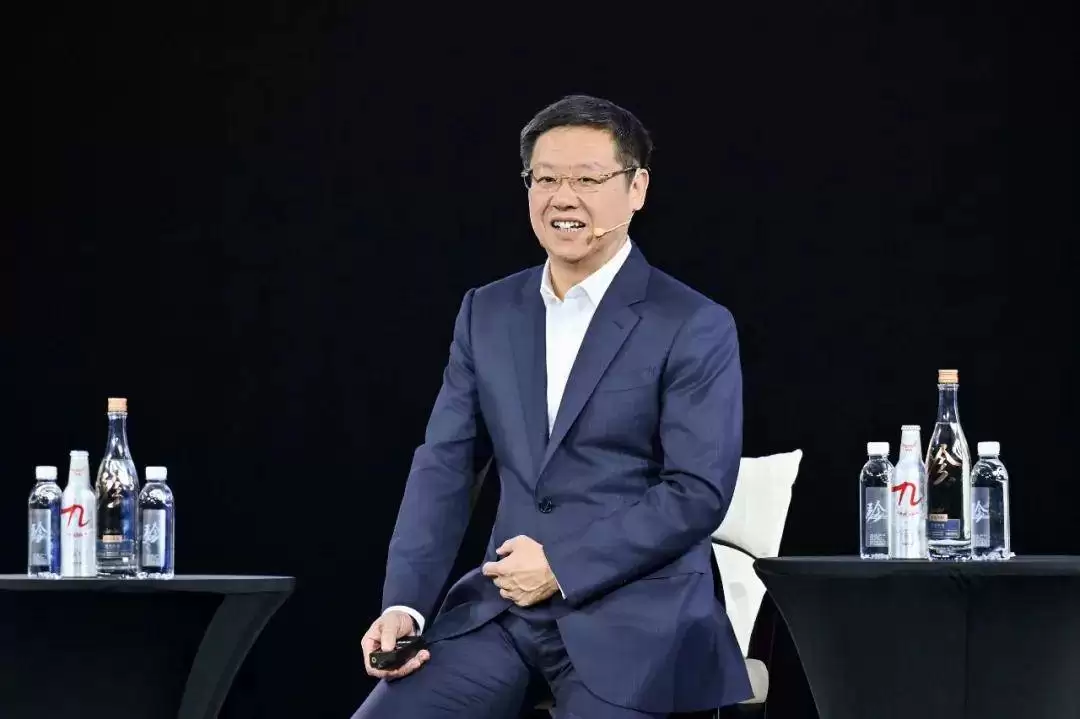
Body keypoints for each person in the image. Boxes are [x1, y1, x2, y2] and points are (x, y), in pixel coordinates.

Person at [353, 94, 752, 719]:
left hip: (638, 621)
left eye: (587, 180)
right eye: (545, 179)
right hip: (502, 611)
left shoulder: (693, 323)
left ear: (637, 188)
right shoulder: (487, 312)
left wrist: (562, 565)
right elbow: (445, 465)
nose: (562, 198)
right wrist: (405, 604)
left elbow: (697, 491)